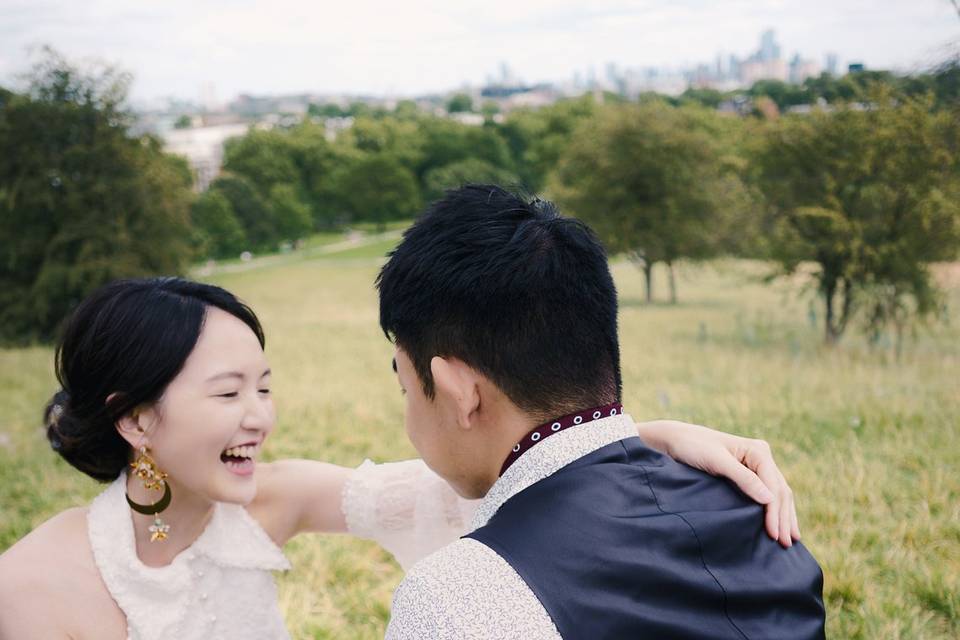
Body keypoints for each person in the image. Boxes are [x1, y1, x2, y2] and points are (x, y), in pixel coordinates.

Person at [0, 278, 799, 640]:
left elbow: (472, 485)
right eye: (227, 393)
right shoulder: (37, 584)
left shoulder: (269, 504)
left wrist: (643, 435)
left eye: (265, 386)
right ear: (136, 418)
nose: (260, 417)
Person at [378, 185, 826, 639]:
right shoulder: (762, 518)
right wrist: (640, 437)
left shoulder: (454, 602)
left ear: (461, 392)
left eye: (406, 391)